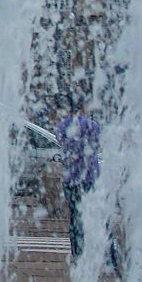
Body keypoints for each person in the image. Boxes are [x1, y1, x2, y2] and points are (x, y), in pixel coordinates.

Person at [55, 102, 101, 259]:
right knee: (93, 214)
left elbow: (61, 143)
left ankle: (77, 251)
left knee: (75, 216)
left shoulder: (62, 125)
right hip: (88, 176)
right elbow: (96, 144)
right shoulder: (91, 124)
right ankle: (98, 252)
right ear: (83, 108)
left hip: (71, 177)